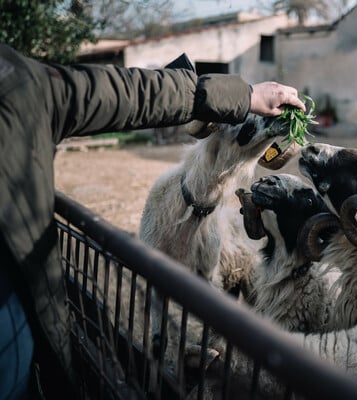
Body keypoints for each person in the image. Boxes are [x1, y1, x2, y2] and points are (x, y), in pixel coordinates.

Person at [0, 43, 306, 399]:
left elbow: (122, 92)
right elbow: (112, 92)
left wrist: (244, 96)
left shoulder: (15, 79)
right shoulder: (18, 80)